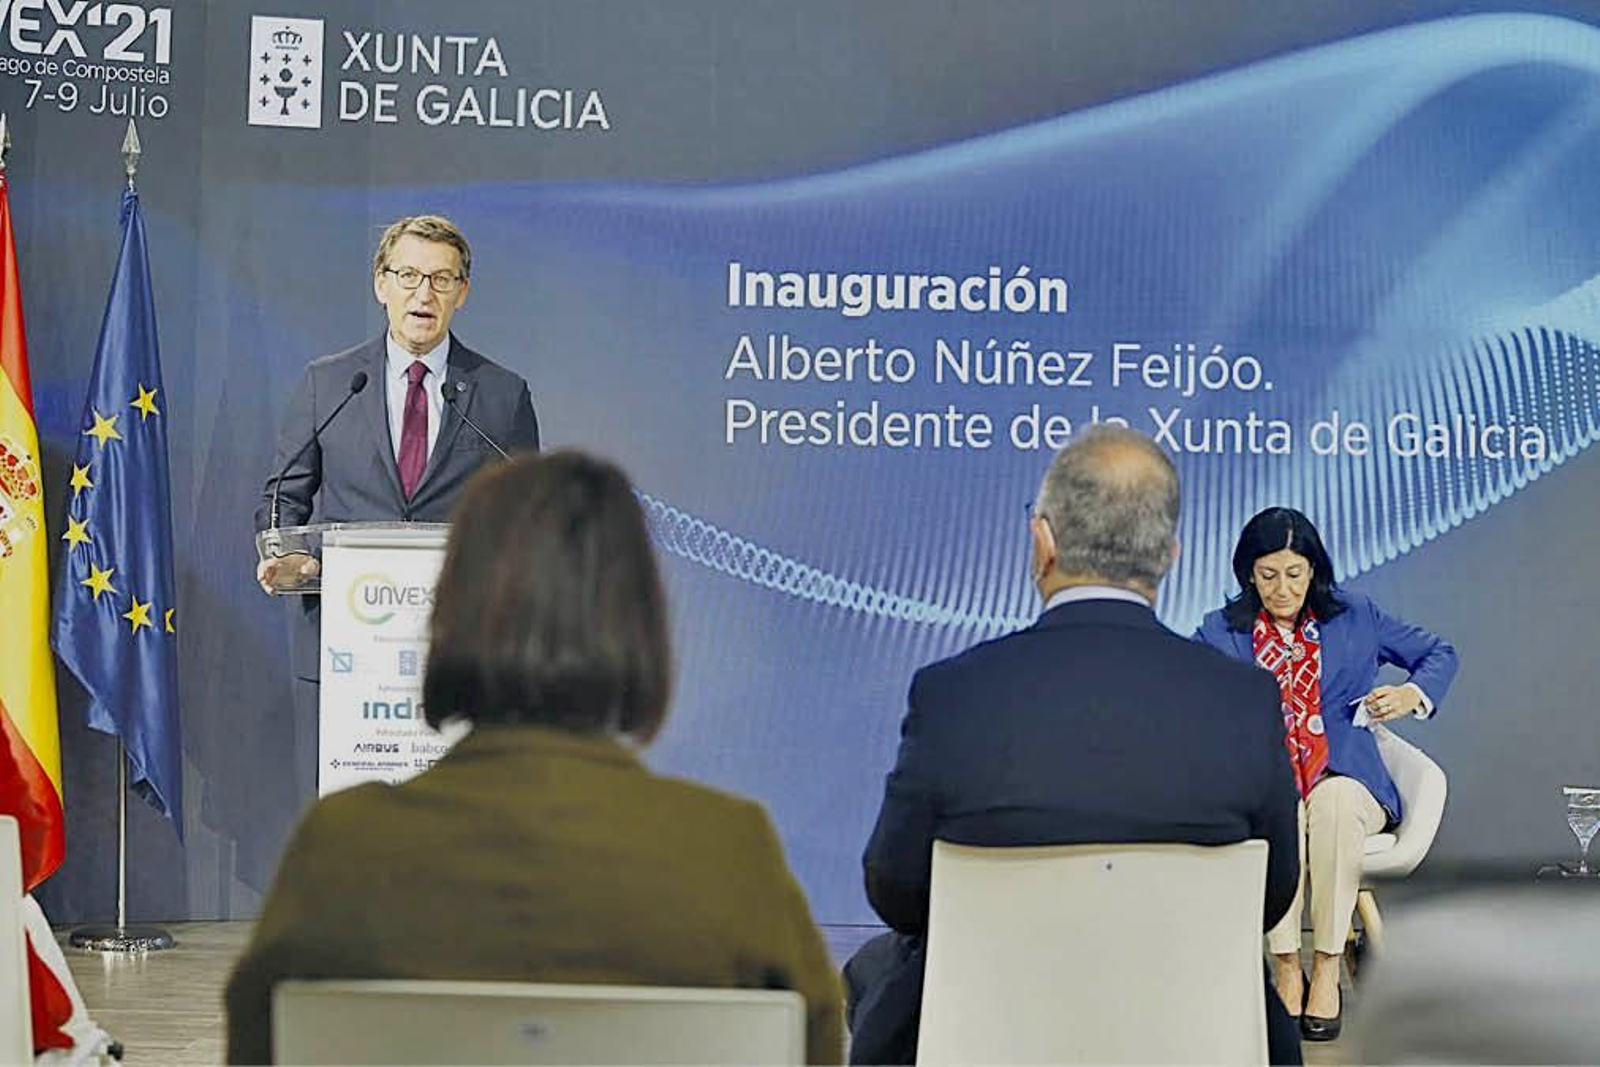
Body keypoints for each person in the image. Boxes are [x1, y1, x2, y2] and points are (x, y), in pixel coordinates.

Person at [226, 452, 843, 1065]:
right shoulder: (729, 851)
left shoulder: (341, 849)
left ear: (449, 612)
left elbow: (259, 1046)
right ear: (641, 624)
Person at [846, 426, 1304, 1065]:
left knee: (877, 968)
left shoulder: (954, 693)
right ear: (1170, 556)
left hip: (992, 1038)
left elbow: (895, 890)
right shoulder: (1245, 699)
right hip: (1187, 1034)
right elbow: (1271, 895)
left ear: (1043, 542)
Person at [252, 214, 539, 797]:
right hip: (346, 659)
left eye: (441, 279)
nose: (423, 294)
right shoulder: (329, 385)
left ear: (462, 292)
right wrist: (288, 557)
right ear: (381, 284)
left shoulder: (502, 395)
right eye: (408, 275)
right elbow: (283, 497)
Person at [1194, 506, 1458, 1042]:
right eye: (1268, 575)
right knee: (1283, 806)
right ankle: (1287, 966)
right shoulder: (1220, 631)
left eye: (1295, 574)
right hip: (1270, 779)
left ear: (1313, 569)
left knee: (1334, 803)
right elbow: (1186, 693)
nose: (1283, 589)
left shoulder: (1355, 616)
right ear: (1249, 574)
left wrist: (1410, 693)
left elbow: (1439, 653)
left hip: (1348, 777)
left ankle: (1329, 965)